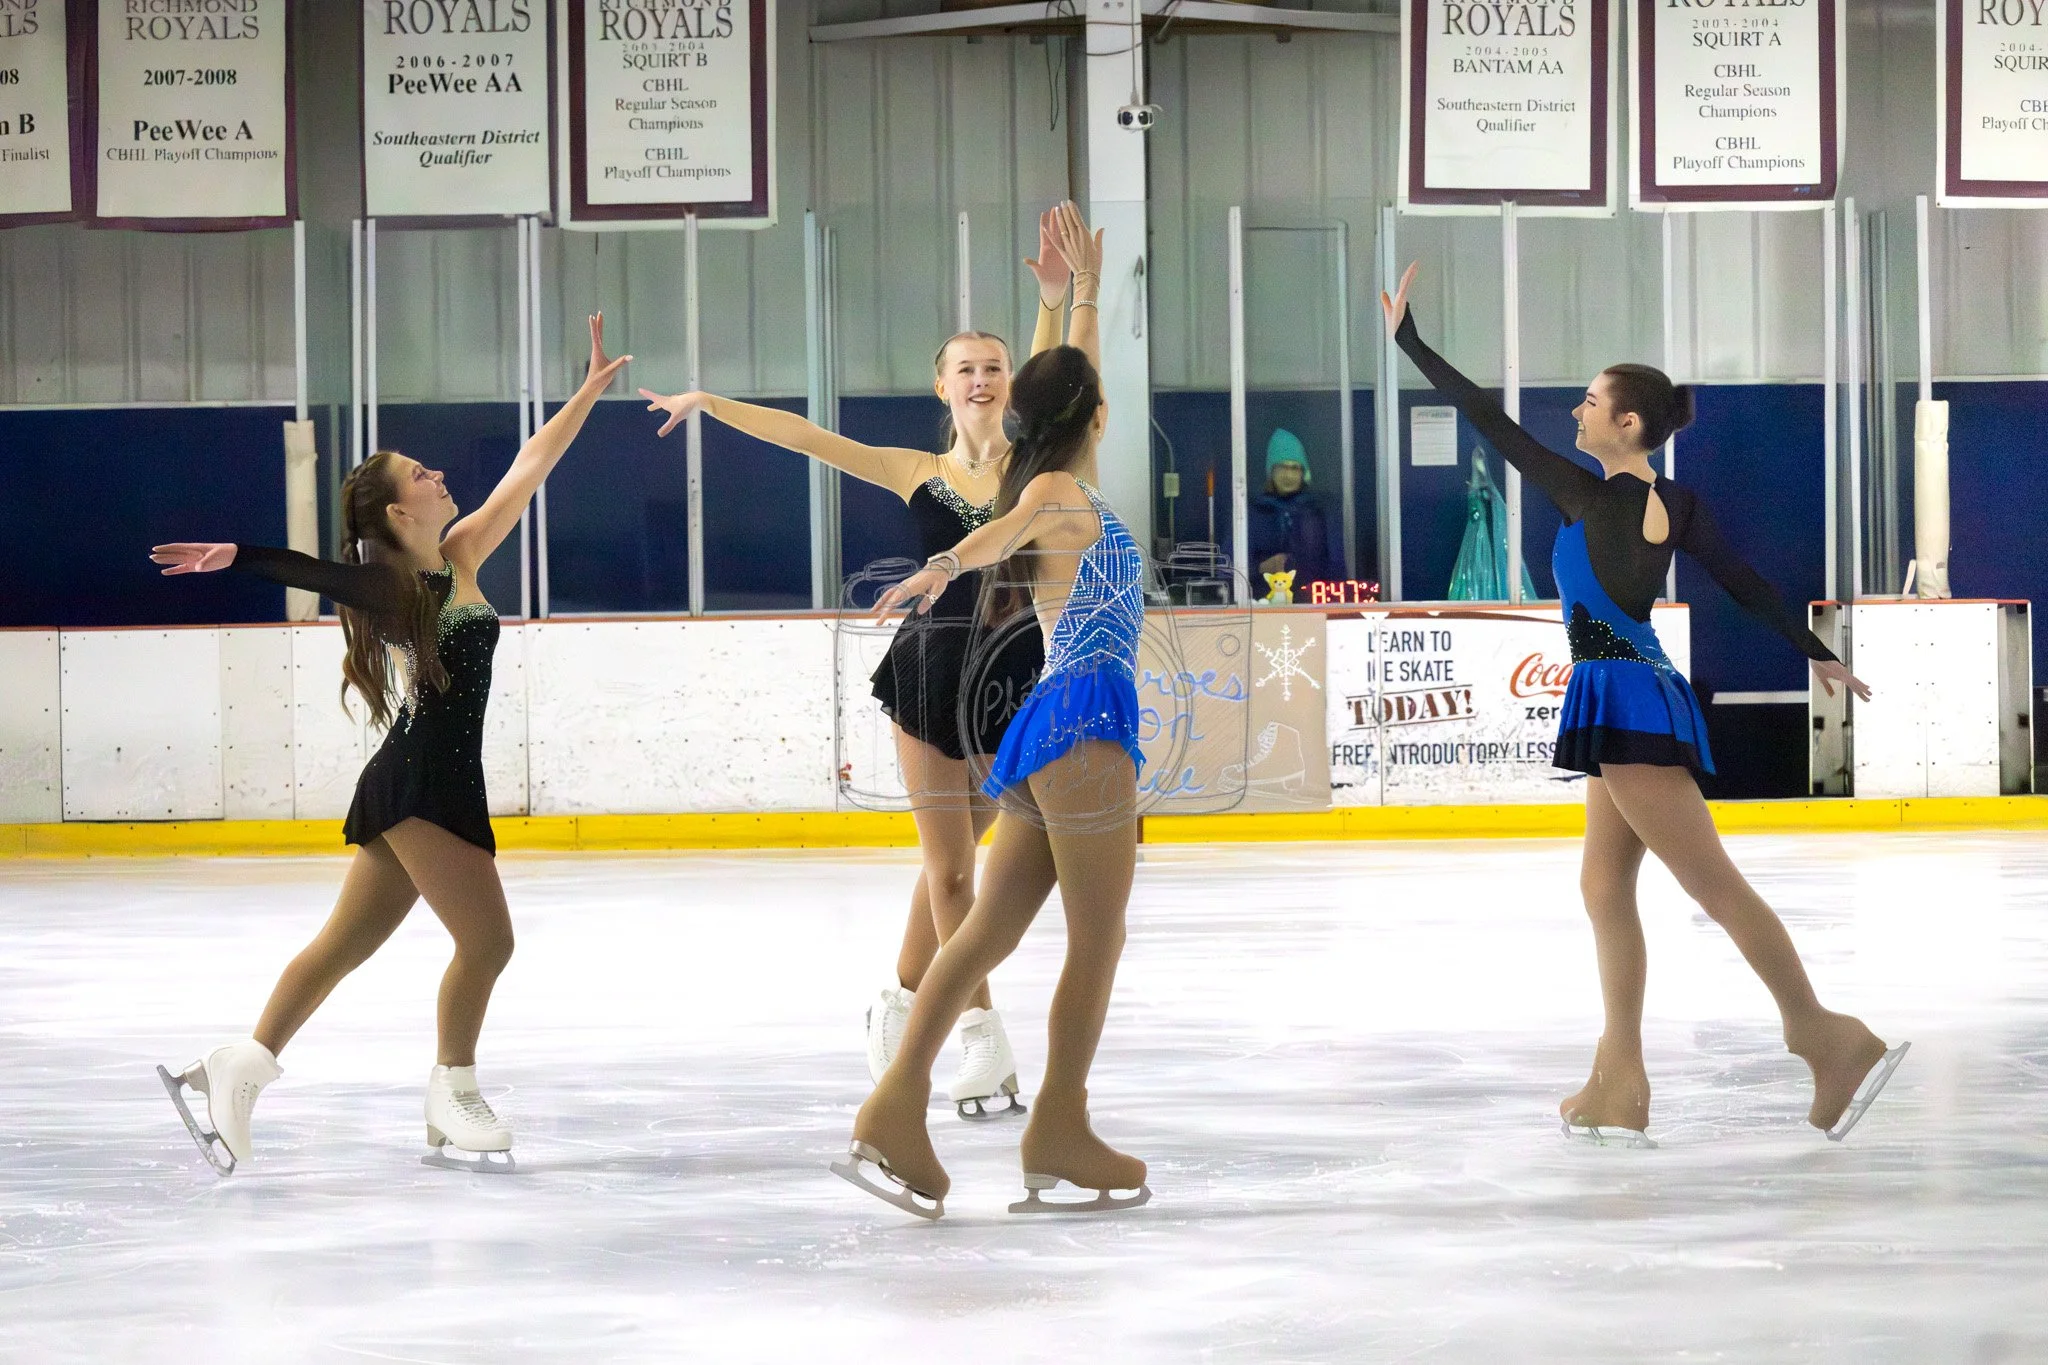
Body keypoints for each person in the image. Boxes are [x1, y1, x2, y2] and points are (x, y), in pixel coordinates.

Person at [1383, 263, 1908, 1147]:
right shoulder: (1677, 503)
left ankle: (1823, 1034)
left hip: (1623, 702)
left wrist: (1411, 342)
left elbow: (1488, 419)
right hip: (1637, 692)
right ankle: (1619, 1077)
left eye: (1591, 402)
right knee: (1603, 885)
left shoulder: (1587, 494)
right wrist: (1813, 650)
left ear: (1627, 423)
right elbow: (1745, 582)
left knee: (1715, 883)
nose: (1576, 412)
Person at [151, 315, 629, 1176]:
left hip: (428, 778)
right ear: (400, 511)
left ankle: (238, 1065)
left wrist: (587, 392)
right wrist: (240, 556)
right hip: (420, 784)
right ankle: (453, 1089)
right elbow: (317, 573)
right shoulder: (392, 583)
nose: (438, 474)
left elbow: (532, 466)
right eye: (421, 473)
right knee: (488, 942)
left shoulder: (459, 556)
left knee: (343, 945)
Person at [639, 206, 1083, 1121]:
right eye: (966, 368)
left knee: (958, 866)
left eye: (995, 367)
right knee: (953, 873)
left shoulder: (1032, 470)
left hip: (1010, 678)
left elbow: (1053, 373)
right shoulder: (911, 468)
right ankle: (980, 1035)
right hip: (926, 673)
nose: (982, 379)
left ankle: (899, 997)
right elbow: (806, 438)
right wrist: (712, 404)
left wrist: (1054, 299)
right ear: (940, 385)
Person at [832, 212, 1153, 1220]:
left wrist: (1083, 296)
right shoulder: (1051, 490)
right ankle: (1058, 1125)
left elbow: (1067, 387)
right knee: (1095, 940)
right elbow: (998, 532)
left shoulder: (1055, 478)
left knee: (978, 935)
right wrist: (940, 562)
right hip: (1085, 719)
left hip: (1050, 724)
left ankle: (893, 1109)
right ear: (1097, 414)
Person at [1248, 428, 1340, 591]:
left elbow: (1337, 565)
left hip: (1313, 601)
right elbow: (1228, 570)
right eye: (1282, 467)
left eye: (1295, 468)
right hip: (1262, 602)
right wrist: (1261, 568)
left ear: (1303, 473)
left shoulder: (1319, 511)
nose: (1288, 475)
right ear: (1271, 471)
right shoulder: (1252, 513)